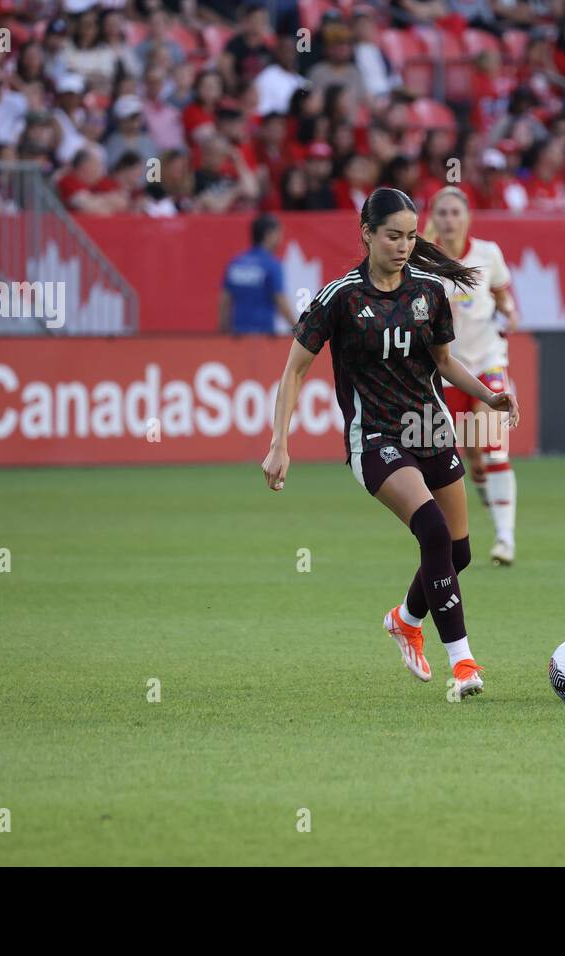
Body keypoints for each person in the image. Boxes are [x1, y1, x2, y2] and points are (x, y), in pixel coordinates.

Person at [262, 188, 519, 698]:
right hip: (375, 437)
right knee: (433, 532)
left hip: (431, 429)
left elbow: (445, 364)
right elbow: (293, 372)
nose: (403, 245)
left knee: (458, 553)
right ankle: (464, 663)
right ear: (367, 235)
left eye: (409, 236)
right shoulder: (339, 298)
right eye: (392, 236)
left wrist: (489, 399)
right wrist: (279, 443)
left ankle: (405, 619)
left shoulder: (428, 292)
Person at [425, 186, 522, 566]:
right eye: (442, 213)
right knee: (472, 459)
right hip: (447, 371)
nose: (449, 220)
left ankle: (505, 539)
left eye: (455, 213)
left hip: (487, 361)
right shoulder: (423, 260)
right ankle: (489, 500)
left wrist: (510, 313)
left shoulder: (488, 254)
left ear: (467, 217)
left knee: (493, 444)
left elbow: (502, 296)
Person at [219, 213, 296, 333]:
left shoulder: (236, 263)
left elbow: (224, 299)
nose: (281, 238)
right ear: (269, 234)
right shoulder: (272, 265)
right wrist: (298, 330)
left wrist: (222, 330)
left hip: (237, 335)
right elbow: (281, 301)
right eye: (279, 233)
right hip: (263, 337)